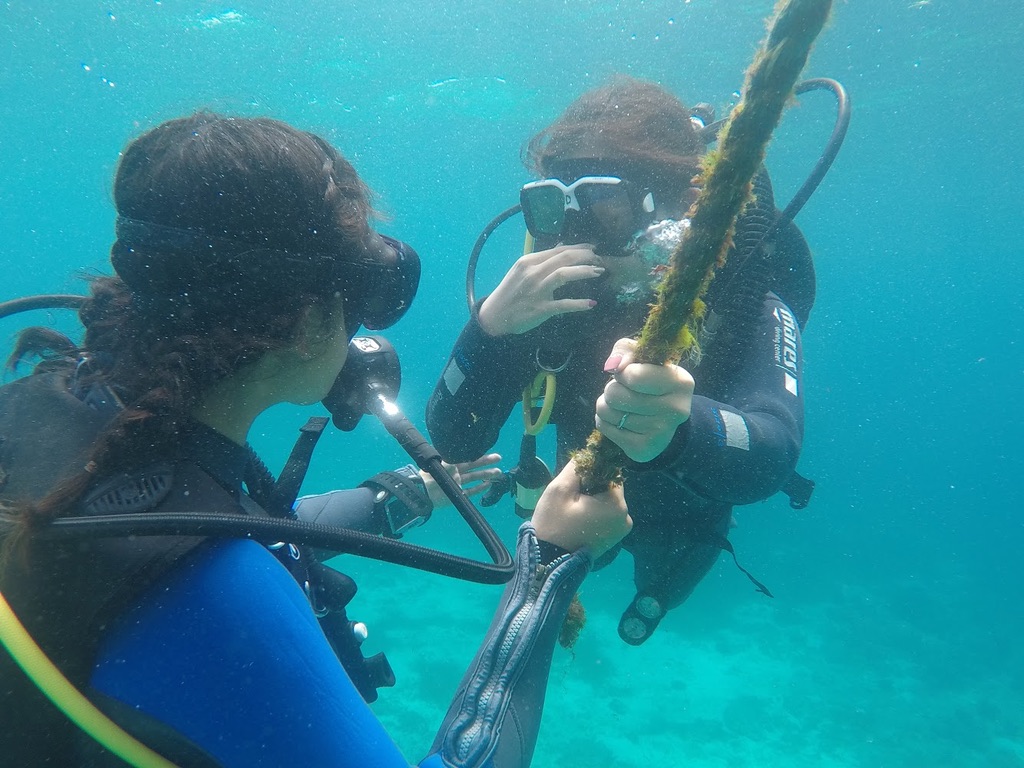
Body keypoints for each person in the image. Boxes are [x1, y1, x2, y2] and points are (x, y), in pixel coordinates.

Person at [0, 113, 632, 767]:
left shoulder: (56, 403)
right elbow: (208, 566)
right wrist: (550, 564)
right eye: (359, 295)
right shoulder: (218, 597)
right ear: (307, 325)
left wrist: (390, 499)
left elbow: (170, 523)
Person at [427, 76, 814, 646]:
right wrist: (487, 331)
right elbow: (454, 440)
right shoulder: (544, 300)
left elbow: (774, 451)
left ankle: (653, 600)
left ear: (673, 205)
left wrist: (685, 428)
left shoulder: (741, 291)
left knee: (669, 570)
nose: (577, 237)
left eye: (605, 205)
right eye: (556, 207)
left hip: (684, 507)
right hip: (572, 498)